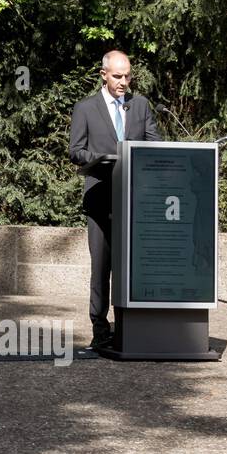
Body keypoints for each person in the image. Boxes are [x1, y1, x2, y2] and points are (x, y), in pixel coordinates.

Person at [68, 51, 163, 349]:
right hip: (100, 199)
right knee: (103, 267)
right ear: (103, 74)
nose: (124, 82)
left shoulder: (140, 105)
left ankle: (130, 327)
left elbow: (154, 144)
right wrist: (101, 159)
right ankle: (100, 329)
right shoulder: (85, 108)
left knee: (130, 264)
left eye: (128, 76)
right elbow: (76, 151)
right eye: (118, 76)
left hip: (134, 200)